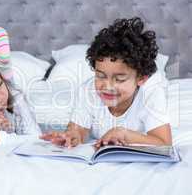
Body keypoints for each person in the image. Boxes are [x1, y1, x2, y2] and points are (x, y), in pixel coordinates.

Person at [41, 17, 172, 149]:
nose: (107, 87)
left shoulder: (151, 93)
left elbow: (164, 142)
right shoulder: (88, 91)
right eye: (100, 76)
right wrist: (70, 137)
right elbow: (78, 131)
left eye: (119, 79)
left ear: (141, 79)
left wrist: (123, 134)